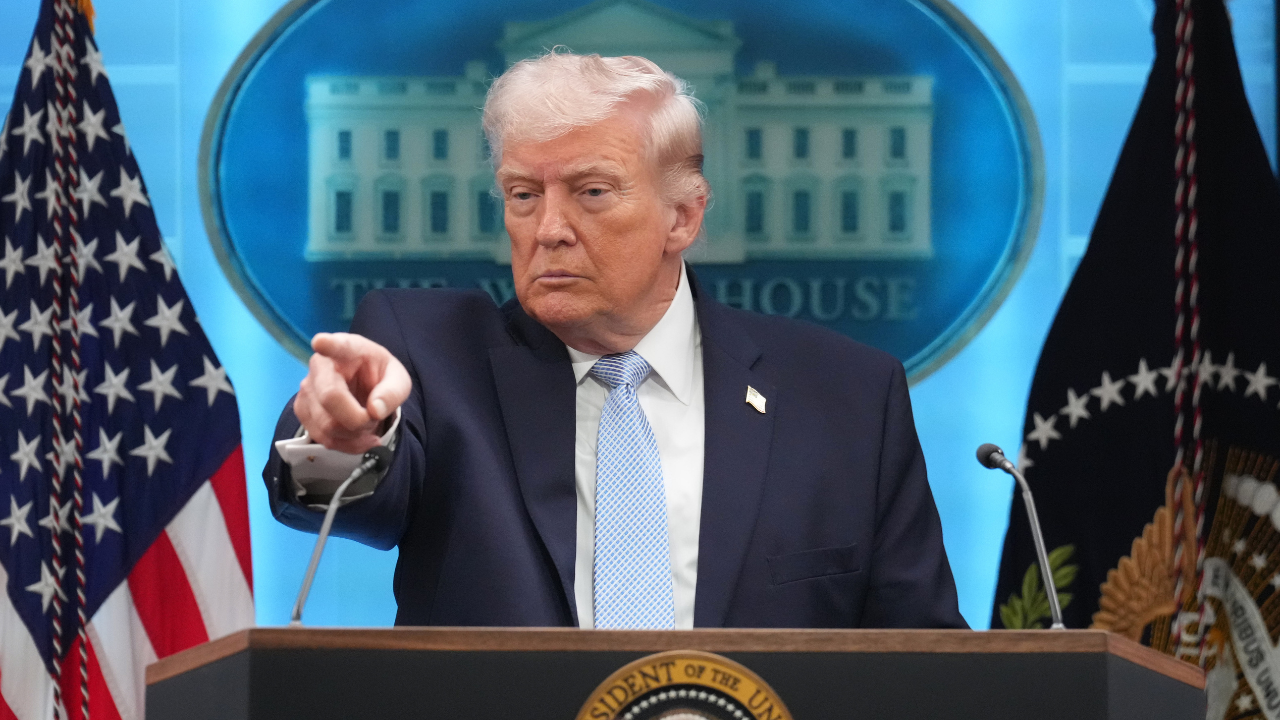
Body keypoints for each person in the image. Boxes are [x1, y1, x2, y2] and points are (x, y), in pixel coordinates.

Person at [264, 52, 966, 630]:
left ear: (683, 218)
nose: (549, 230)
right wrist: (343, 436)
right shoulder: (429, 356)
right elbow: (336, 494)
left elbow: (925, 667)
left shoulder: (846, 398)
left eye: (592, 192)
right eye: (523, 195)